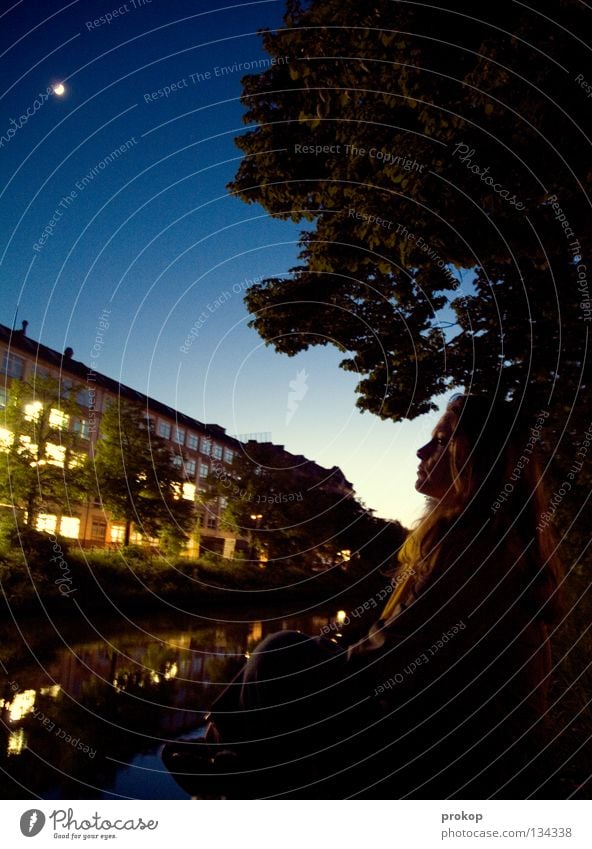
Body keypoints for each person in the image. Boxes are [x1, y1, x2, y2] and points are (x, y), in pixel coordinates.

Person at [165, 394, 563, 799]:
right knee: (289, 653)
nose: (422, 450)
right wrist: (337, 640)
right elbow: (394, 628)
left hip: (465, 744)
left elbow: (394, 654)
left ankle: (240, 768)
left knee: (280, 652)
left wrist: (324, 656)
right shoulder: (478, 536)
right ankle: (233, 757)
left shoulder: (471, 542)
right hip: (461, 723)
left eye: (442, 441)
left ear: (481, 458)